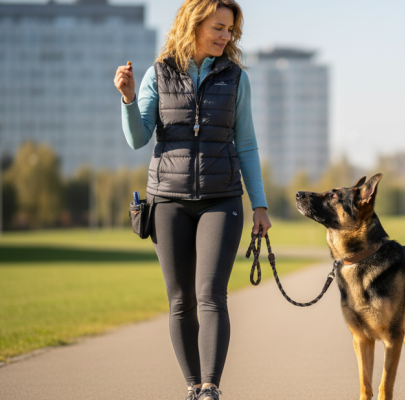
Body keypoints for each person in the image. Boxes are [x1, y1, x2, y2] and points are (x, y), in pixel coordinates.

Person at [113, 1, 269, 399]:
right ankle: (193, 387)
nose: (225, 36)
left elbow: (247, 145)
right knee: (181, 300)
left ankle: (210, 389)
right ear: (194, 24)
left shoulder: (236, 78)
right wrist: (128, 99)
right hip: (168, 201)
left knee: (211, 294)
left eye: (230, 30)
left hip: (222, 199)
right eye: (218, 27)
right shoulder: (158, 73)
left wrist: (260, 205)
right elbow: (137, 139)